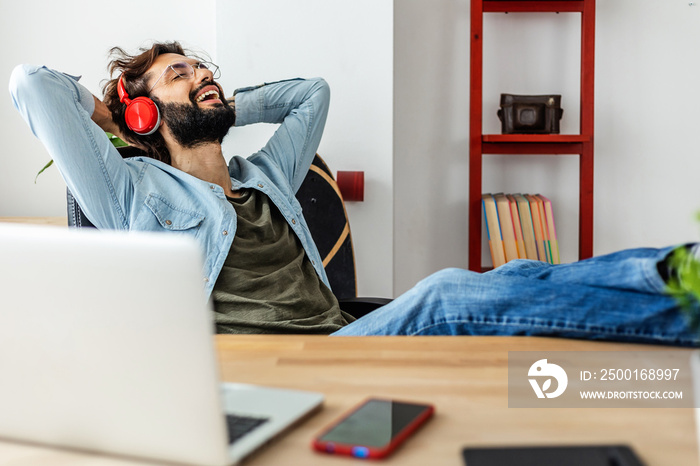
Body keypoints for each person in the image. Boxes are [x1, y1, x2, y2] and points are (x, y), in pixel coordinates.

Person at [8, 41, 700, 345]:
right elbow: (31, 85)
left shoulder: (267, 176)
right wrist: (109, 115)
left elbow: (312, 94)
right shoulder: (131, 194)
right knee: (449, 294)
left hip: (343, 339)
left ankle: (682, 275)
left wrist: (216, 102)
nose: (201, 74)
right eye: (179, 74)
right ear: (142, 112)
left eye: (203, 66)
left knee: (514, 272)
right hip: (265, 368)